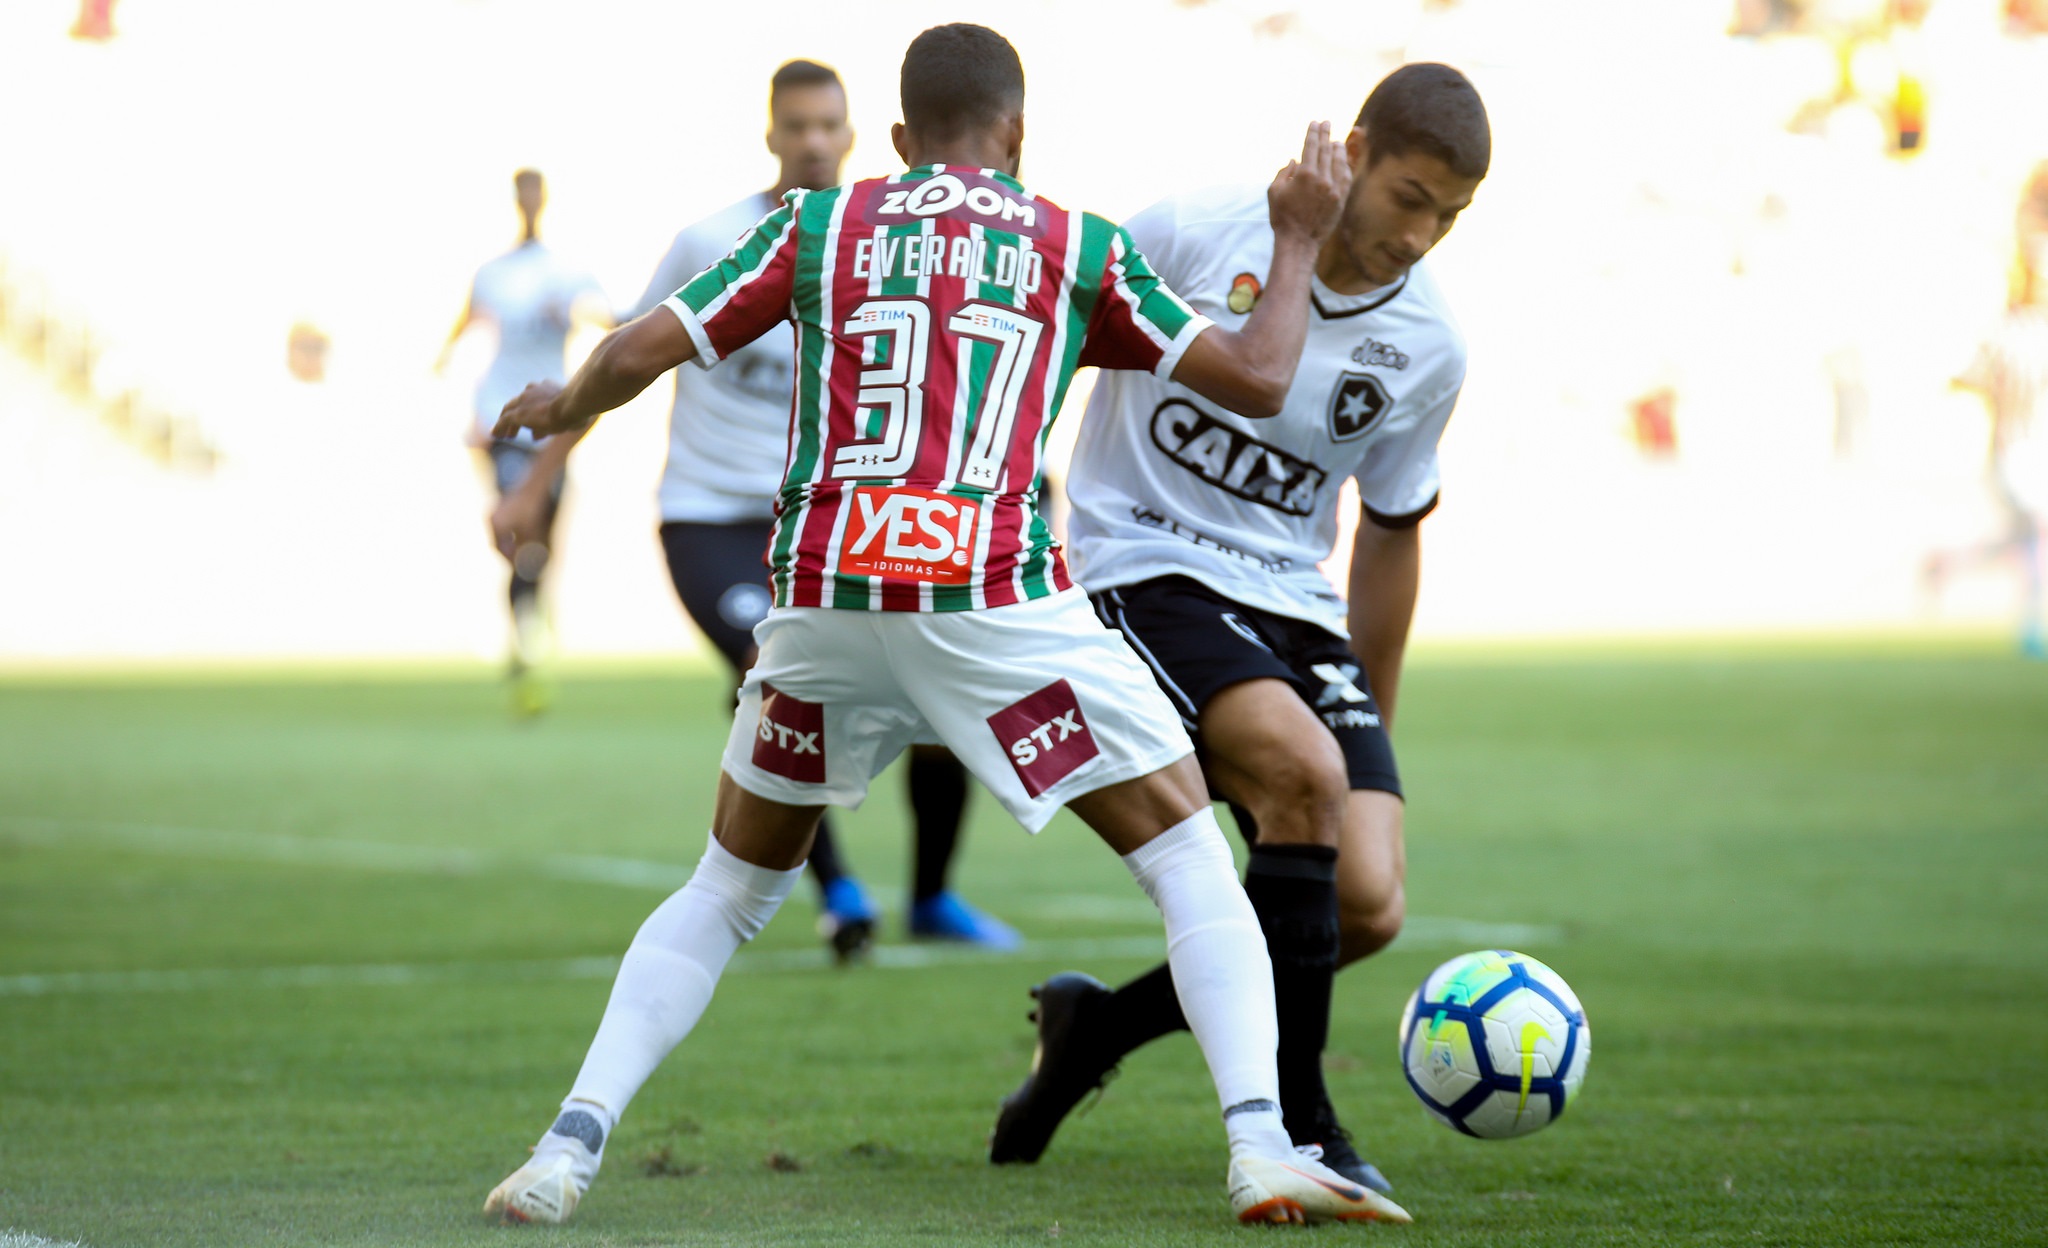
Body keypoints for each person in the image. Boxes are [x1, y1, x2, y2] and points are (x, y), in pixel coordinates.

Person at [479, 23, 1407, 1228]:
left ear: (901, 137)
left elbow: (642, 345)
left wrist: (567, 409)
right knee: (1184, 853)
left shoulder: (818, 224)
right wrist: (1291, 236)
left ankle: (565, 1149)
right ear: (1016, 134)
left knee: (723, 887)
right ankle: (1261, 1148)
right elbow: (1258, 373)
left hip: (826, 598)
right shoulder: (1073, 242)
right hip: (990, 601)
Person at [987, 62, 1490, 1197]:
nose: (1421, 235)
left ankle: (1096, 1033)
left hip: (1292, 603)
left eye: (1448, 217)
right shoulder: (1191, 231)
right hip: (1142, 564)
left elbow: (1391, 527)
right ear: (1351, 150)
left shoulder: (1428, 346)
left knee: (1363, 904)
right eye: (1410, 197)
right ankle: (1300, 1127)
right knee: (1301, 785)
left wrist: (1376, 709)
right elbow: (1049, 352)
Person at [493, 60, 1017, 961]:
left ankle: (931, 898)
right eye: (797, 126)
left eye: (829, 126)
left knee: (936, 696)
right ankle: (838, 892)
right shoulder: (708, 242)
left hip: (833, 522)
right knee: (772, 672)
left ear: (856, 138)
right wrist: (537, 483)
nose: (813, 140)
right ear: (771, 135)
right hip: (709, 519)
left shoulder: (881, 243)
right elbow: (627, 360)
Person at [437, 169, 610, 714]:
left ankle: (532, 613)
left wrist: (582, 313)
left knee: (545, 533)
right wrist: (440, 367)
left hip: (554, 415)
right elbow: (467, 322)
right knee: (520, 519)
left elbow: (608, 315)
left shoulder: (567, 272)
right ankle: (522, 635)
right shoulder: (493, 273)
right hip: (501, 418)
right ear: (516, 201)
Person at [1933, 160, 2048, 658]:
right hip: (2013, 451)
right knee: (2038, 536)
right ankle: (2033, 627)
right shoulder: (2008, 332)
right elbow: (1966, 376)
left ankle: (1949, 564)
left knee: (2024, 543)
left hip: (2035, 447)